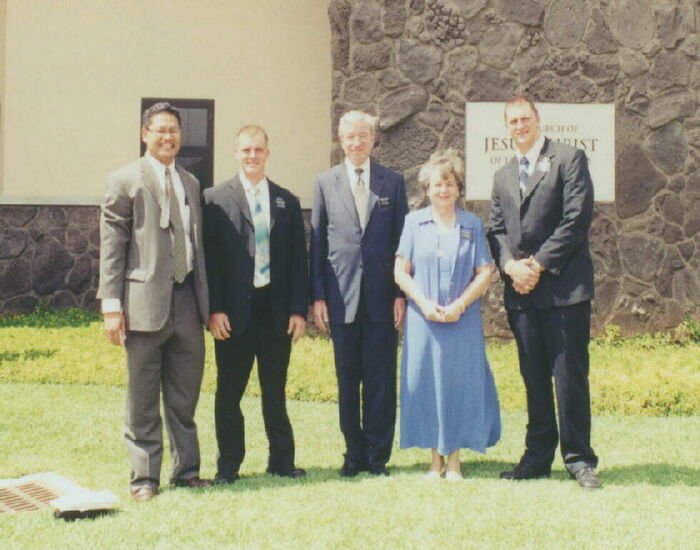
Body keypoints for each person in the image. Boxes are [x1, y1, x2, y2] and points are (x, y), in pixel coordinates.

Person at [98, 102, 210, 501]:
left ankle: (187, 470)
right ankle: (145, 478)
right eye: (160, 130)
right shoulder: (124, 180)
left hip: (187, 303)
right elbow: (113, 248)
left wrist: (206, 305)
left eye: (174, 130)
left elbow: (196, 244)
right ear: (145, 133)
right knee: (142, 397)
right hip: (142, 304)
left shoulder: (191, 183)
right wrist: (111, 305)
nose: (169, 137)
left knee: (184, 395)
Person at [488, 96, 600, 489]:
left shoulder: (569, 159)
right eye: (512, 122)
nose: (519, 126)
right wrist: (509, 266)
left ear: (537, 120)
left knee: (569, 377)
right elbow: (496, 230)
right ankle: (536, 457)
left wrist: (535, 265)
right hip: (521, 293)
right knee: (533, 377)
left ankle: (580, 460)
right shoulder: (503, 174)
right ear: (507, 128)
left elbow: (576, 218)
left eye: (524, 119)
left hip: (564, 289)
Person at [203, 125, 308, 483]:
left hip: (275, 311)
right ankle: (228, 466)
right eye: (246, 150)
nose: (252, 156)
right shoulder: (215, 199)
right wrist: (214, 310)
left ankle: (282, 461)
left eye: (258, 150)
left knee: (274, 390)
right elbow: (211, 263)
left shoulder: (286, 201)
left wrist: (298, 310)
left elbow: (298, 260)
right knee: (229, 393)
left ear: (267, 152)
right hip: (233, 314)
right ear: (236, 153)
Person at [310, 110, 408, 477]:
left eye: (362, 136)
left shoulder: (393, 182)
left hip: (383, 298)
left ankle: (378, 455)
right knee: (348, 380)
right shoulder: (324, 182)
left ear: (372, 139)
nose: (356, 142)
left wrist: (401, 294)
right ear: (341, 140)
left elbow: (402, 243)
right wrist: (318, 296)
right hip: (341, 297)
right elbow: (318, 242)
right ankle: (353, 454)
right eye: (349, 137)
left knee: (382, 380)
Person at [394, 150, 500, 481]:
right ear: (427, 188)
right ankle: (434, 461)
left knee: (459, 384)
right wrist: (424, 303)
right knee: (426, 383)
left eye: (450, 184)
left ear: (458, 188)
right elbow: (400, 270)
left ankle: (454, 460)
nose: (444, 190)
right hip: (423, 319)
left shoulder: (473, 224)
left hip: (462, 320)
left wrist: (461, 305)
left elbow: (485, 272)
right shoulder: (413, 222)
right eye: (438, 184)